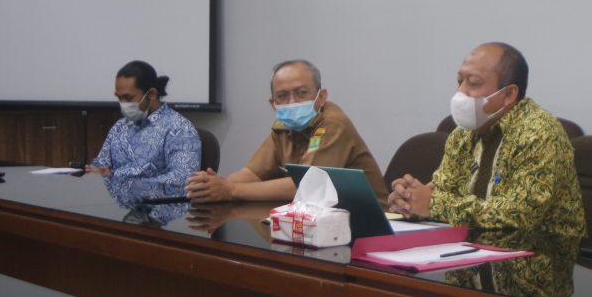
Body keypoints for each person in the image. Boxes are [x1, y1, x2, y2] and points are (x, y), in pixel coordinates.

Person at [387, 43, 585, 237]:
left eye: (473, 83)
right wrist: (411, 201)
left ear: (509, 94)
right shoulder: (463, 133)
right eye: (459, 81)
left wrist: (434, 204)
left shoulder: (539, 133)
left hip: (539, 250)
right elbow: (443, 191)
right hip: (472, 246)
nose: (461, 92)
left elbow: (521, 215)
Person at [185, 59, 386, 204]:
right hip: (317, 219)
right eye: (282, 96)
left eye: (302, 93)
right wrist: (213, 186)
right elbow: (253, 173)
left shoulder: (333, 123)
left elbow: (306, 186)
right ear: (273, 103)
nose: (292, 102)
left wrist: (230, 190)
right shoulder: (283, 125)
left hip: (371, 222)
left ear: (322, 96)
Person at [88, 60, 201, 203]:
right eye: (119, 98)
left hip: (159, 210)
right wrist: (95, 172)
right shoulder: (120, 126)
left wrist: (120, 180)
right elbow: (100, 168)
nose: (123, 104)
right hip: (114, 207)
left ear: (151, 94)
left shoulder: (179, 129)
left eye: (128, 98)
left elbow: (182, 180)